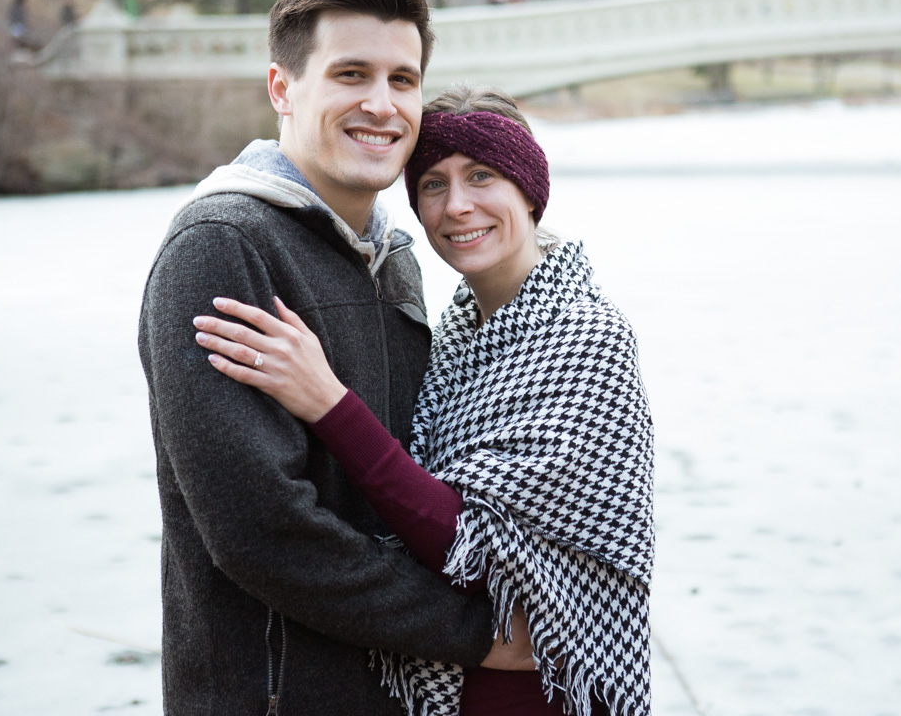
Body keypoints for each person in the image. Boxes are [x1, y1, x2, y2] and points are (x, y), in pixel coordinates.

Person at [138, 0, 530, 714]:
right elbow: (263, 530)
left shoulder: (396, 258)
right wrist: (477, 633)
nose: (381, 105)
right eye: (351, 74)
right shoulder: (223, 247)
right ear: (283, 89)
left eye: (403, 79)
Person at [192, 84, 655, 715]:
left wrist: (327, 400)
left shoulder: (587, 338)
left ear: (530, 187)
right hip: (457, 684)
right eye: (432, 184)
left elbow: (466, 542)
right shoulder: (460, 333)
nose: (457, 206)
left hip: (542, 690)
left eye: (481, 176)